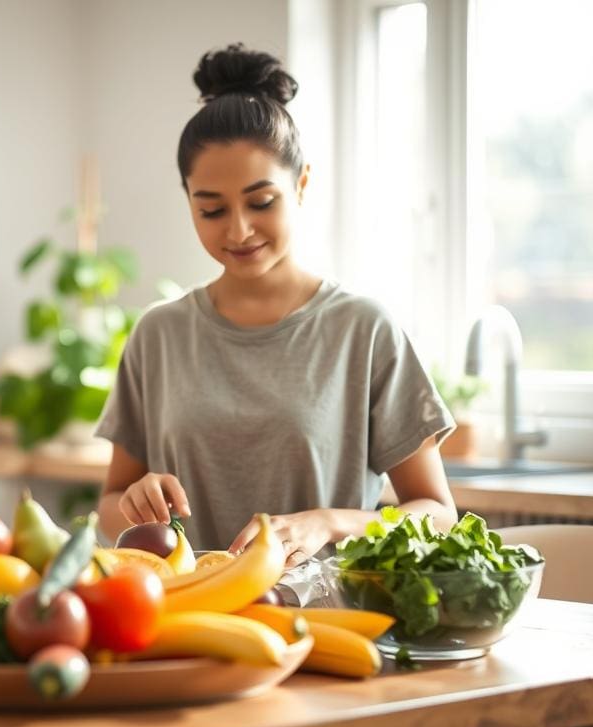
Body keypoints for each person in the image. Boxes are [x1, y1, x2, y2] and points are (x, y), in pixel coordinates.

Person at [95, 43, 457, 566]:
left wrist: (329, 522)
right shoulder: (159, 334)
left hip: (330, 623)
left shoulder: (363, 330)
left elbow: (437, 511)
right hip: (188, 617)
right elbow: (109, 504)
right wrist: (133, 503)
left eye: (261, 202)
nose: (238, 230)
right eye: (212, 210)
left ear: (302, 184)